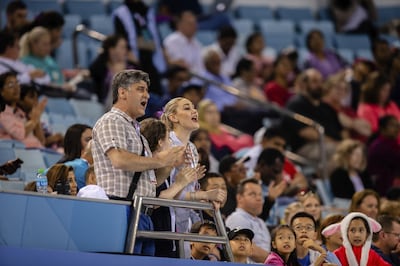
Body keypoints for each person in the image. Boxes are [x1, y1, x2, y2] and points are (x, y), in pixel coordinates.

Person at [91, 69, 186, 256]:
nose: (147, 95)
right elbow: (119, 160)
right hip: (120, 211)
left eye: (147, 90)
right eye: (140, 89)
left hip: (141, 213)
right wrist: (158, 160)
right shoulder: (112, 120)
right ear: (122, 92)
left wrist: (168, 163)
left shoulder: (134, 129)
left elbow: (149, 180)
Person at [160, 97, 225, 257]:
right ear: (173, 117)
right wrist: (204, 194)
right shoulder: (166, 144)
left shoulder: (192, 148)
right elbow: (167, 192)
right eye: (187, 108)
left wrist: (203, 200)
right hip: (166, 219)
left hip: (184, 220)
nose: (194, 111)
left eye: (194, 108)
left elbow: (186, 189)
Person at [281, 68, 343, 163]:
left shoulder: (325, 107)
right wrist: (338, 144)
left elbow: (340, 129)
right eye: (314, 81)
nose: (319, 85)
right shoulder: (296, 104)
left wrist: (347, 144)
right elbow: (307, 133)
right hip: (305, 147)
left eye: (321, 81)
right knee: (337, 151)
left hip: (331, 144)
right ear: (304, 84)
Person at [113, 0, 165, 95]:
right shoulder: (121, 13)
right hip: (134, 60)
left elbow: (156, 36)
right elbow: (121, 39)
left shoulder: (148, 11)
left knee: (156, 92)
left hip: (151, 59)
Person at [225, 178, 271, 263]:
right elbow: (250, 250)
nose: (259, 198)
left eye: (260, 195)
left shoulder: (260, 222)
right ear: (239, 198)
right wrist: (277, 261)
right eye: (252, 194)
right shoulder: (237, 218)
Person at [322, 212, 390, 266]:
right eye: (352, 230)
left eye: (361, 230)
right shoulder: (337, 254)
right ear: (345, 233)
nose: (357, 235)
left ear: (368, 233)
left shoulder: (373, 255)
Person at [89, 34, 136, 106]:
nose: (125, 51)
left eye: (126, 47)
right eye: (122, 48)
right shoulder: (100, 67)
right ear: (112, 50)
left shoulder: (131, 67)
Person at [0, 71, 44, 148]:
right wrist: (34, 120)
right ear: (1, 92)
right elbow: (19, 135)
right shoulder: (2, 113)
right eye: (11, 85)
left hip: (39, 151)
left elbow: (42, 141)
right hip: (22, 155)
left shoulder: (21, 112)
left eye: (17, 83)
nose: (16, 88)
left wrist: (37, 120)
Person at [367, 115, 400, 195]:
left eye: (397, 125)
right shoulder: (379, 146)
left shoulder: (393, 144)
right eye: (392, 125)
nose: (397, 128)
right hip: (382, 189)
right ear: (382, 128)